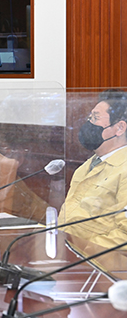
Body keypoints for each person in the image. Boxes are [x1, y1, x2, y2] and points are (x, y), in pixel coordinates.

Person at [59, 94, 127, 248]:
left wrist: (83, 251)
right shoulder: (90, 164)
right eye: (89, 118)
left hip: (97, 263)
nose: (88, 124)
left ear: (120, 128)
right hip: (68, 254)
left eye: (95, 118)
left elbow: (124, 236)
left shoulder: (125, 169)